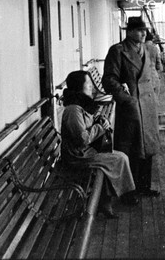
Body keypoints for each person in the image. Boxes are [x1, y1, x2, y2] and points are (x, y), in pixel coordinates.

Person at [60, 70, 136, 217]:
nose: (91, 87)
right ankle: (123, 196)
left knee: (118, 157)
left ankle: (106, 203)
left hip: (85, 152)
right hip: (77, 157)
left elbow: (88, 123)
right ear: (79, 87)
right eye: (88, 84)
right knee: (118, 159)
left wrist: (99, 120)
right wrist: (100, 128)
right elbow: (83, 139)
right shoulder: (73, 110)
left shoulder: (80, 105)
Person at [102, 16, 161, 199]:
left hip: (148, 105)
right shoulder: (118, 51)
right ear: (129, 32)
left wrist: (155, 91)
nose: (144, 34)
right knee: (131, 148)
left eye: (145, 30)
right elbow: (109, 79)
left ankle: (144, 186)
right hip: (132, 106)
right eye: (139, 30)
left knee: (147, 147)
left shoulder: (146, 49)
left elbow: (152, 72)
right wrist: (126, 99)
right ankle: (129, 191)